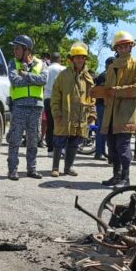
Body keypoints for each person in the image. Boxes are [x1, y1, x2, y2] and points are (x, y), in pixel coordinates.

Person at [99, 31, 136, 188]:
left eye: (126, 46)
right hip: (110, 112)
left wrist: (117, 90)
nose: (123, 49)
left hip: (126, 112)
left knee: (123, 146)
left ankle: (126, 178)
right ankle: (116, 175)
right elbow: (107, 89)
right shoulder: (111, 67)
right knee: (111, 146)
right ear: (115, 49)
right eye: (120, 46)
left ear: (131, 47)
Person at [49, 42, 96, 177]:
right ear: (72, 59)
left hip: (80, 115)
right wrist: (56, 113)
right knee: (59, 141)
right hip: (64, 115)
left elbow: (92, 97)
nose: (80, 60)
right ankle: (55, 167)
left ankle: (68, 167)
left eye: (82, 57)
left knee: (75, 142)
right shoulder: (63, 75)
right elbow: (55, 95)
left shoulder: (88, 78)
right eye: (77, 57)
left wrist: (92, 113)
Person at [7, 35, 48, 180]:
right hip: (19, 105)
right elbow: (15, 81)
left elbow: (43, 80)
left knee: (33, 140)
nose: (14, 51)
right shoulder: (13, 63)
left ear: (26, 49)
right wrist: (32, 80)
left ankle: (32, 169)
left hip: (36, 107)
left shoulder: (40, 63)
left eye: (17, 48)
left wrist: (25, 74)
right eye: (14, 48)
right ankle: (12, 170)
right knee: (15, 139)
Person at [43, 52, 65, 154]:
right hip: (60, 99)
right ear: (59, 59)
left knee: (50, 124)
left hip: (47, 98)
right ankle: (61, 148)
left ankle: (50, 149)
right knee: (60, 124)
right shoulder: (63, 69)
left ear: (50, 59)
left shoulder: (46, 69)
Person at [93, 56, 113, 161]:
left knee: (102, 129)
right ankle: (100, 152)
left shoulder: (102, 75)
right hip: (104, 106)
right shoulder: (106, 76)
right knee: (103, 129)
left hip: (100, 105)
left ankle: (100, 152)